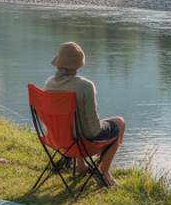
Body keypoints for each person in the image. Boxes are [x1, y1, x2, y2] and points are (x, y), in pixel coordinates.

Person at [44, 41, 125, 187]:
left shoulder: (49, 83)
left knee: (75, 124)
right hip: (81, 141)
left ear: (58, 62)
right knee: (119, 123)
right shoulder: (85, 86)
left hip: (57, 138)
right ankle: (103, 171)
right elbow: (92, 129)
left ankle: (81, 166)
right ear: (78, 65)